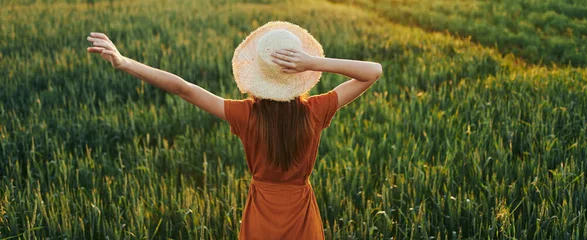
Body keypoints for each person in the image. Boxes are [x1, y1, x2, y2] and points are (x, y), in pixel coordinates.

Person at [87, 20, 382, 239]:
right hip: (301, 213)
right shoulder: (316, 110)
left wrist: (125, 62)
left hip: (261, 213)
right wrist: (314, 63)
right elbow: (373, 71)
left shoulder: (245, 114)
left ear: (258, 72)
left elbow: (182, 88)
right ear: (300, 73)